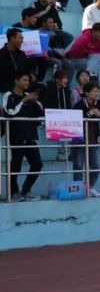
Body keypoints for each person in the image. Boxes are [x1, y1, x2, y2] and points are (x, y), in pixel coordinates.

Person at [2, 70, 45, 201]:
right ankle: (13, 192)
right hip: (16, 136)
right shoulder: (8, 95)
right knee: (15, 166)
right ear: (16, 81)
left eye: (28, 80)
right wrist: (23, 100)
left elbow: (40, 114)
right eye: (24, 80)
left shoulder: (29, 96)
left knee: (37, 164)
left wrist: (36, 101)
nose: (27, 83)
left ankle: (25, 191)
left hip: (30, 136)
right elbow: (10, 113)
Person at [71, 81, 100, 198]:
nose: (97, 93)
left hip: (94, 139)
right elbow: (75, 120)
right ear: (86, 93)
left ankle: (89, 187)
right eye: (94, 91)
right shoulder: (79, 105)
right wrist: (90, 113)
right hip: (80, 140)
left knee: (96, 166)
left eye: (98, 91)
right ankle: (79, 189)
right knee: (78, 166)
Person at [0, 28, 33, 93]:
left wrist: (30, 75)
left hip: (22, 85)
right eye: (20, 38)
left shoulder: (22, 54)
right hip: (8, 87)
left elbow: (26, 70)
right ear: (12, 38)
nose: (22, 41)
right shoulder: (2, 54)